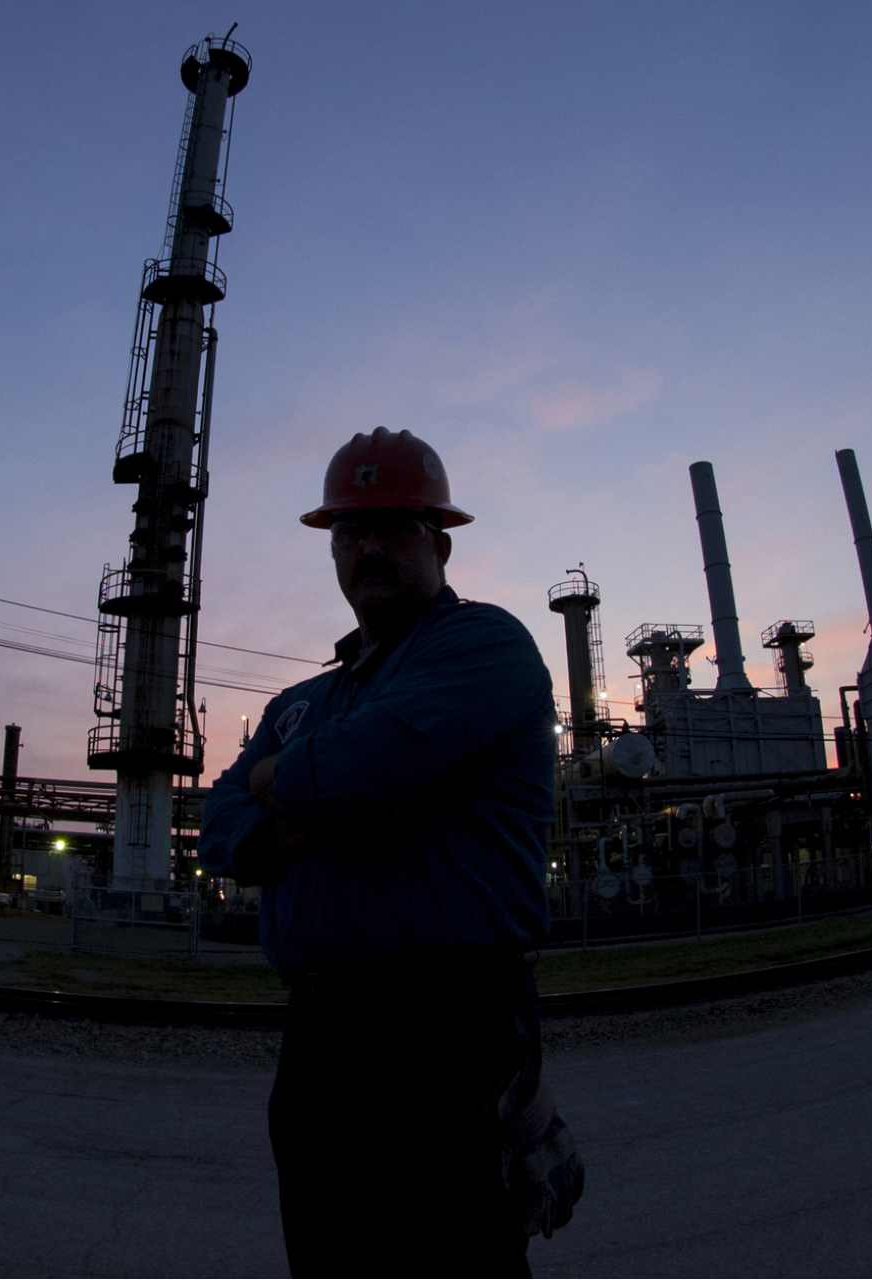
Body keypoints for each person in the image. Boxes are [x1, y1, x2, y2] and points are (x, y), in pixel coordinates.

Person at [200, 427, 583, 1277]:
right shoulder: (303, 700)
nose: (367, 548)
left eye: (393, 528)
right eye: (349, 532)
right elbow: (218, 818)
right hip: (319, 1038)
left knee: (455, 1256)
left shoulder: (485, 647)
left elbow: (358, 765)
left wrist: (288, 782)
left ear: (439, 544)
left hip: (449, 1034)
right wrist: (293, 805)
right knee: (327, 1255)